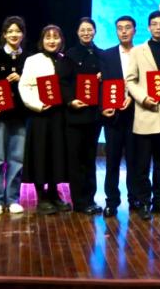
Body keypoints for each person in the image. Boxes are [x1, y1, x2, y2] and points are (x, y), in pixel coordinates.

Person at [125, 10, 160, 220]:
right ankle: (144, 202)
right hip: (145, 112)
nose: (158, 27)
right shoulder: (137, 51)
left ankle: (159, 201)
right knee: (142, 164)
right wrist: (142, 98)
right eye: (154, 24)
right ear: (148, 27)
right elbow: (130, 80)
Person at [19, 25, 69, 214]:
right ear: (42, 40)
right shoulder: (33, 60)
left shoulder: (65, 60)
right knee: (40, 153)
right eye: (48, 37)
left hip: (59, 115)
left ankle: (54, 193)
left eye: (56, 37)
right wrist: (38, 104)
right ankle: (41, 197)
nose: (52, 41)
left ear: (61, 40)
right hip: (40, 114)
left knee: (57, 153)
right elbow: (24, 86)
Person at [0, 16, 29, 216]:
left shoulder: (29, 58)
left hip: (20, 115)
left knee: (17, 159)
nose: (14, 35)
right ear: (4, 34)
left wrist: (22, 77)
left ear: (23, 34)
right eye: (10, 31)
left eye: (17, 31)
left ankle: (12, 198)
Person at [60, 17, 103, 214]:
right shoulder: (69, 55)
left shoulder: (101, 54)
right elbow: (63, 82)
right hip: (75, 115)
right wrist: (70, 101)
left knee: (90, 159)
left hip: (94, 116)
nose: (86, 33)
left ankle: (90, 199)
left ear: (95, 31)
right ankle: (79, 202)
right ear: (77, 33)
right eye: (82, 30)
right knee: (76, 160)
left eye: (89, 29)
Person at [99, 16, 138, 218]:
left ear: (134, 31)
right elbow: (101, 84)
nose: (123, 31)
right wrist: (103, 107)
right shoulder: (107, 55)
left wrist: (132, 96)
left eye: (127, 28)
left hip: (136, 115)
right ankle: (111, 202)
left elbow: (145, 82)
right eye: (120, 28)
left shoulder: (142, 53)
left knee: (134, 160)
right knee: (112, 161)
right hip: (113, 116)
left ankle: (135, 199)